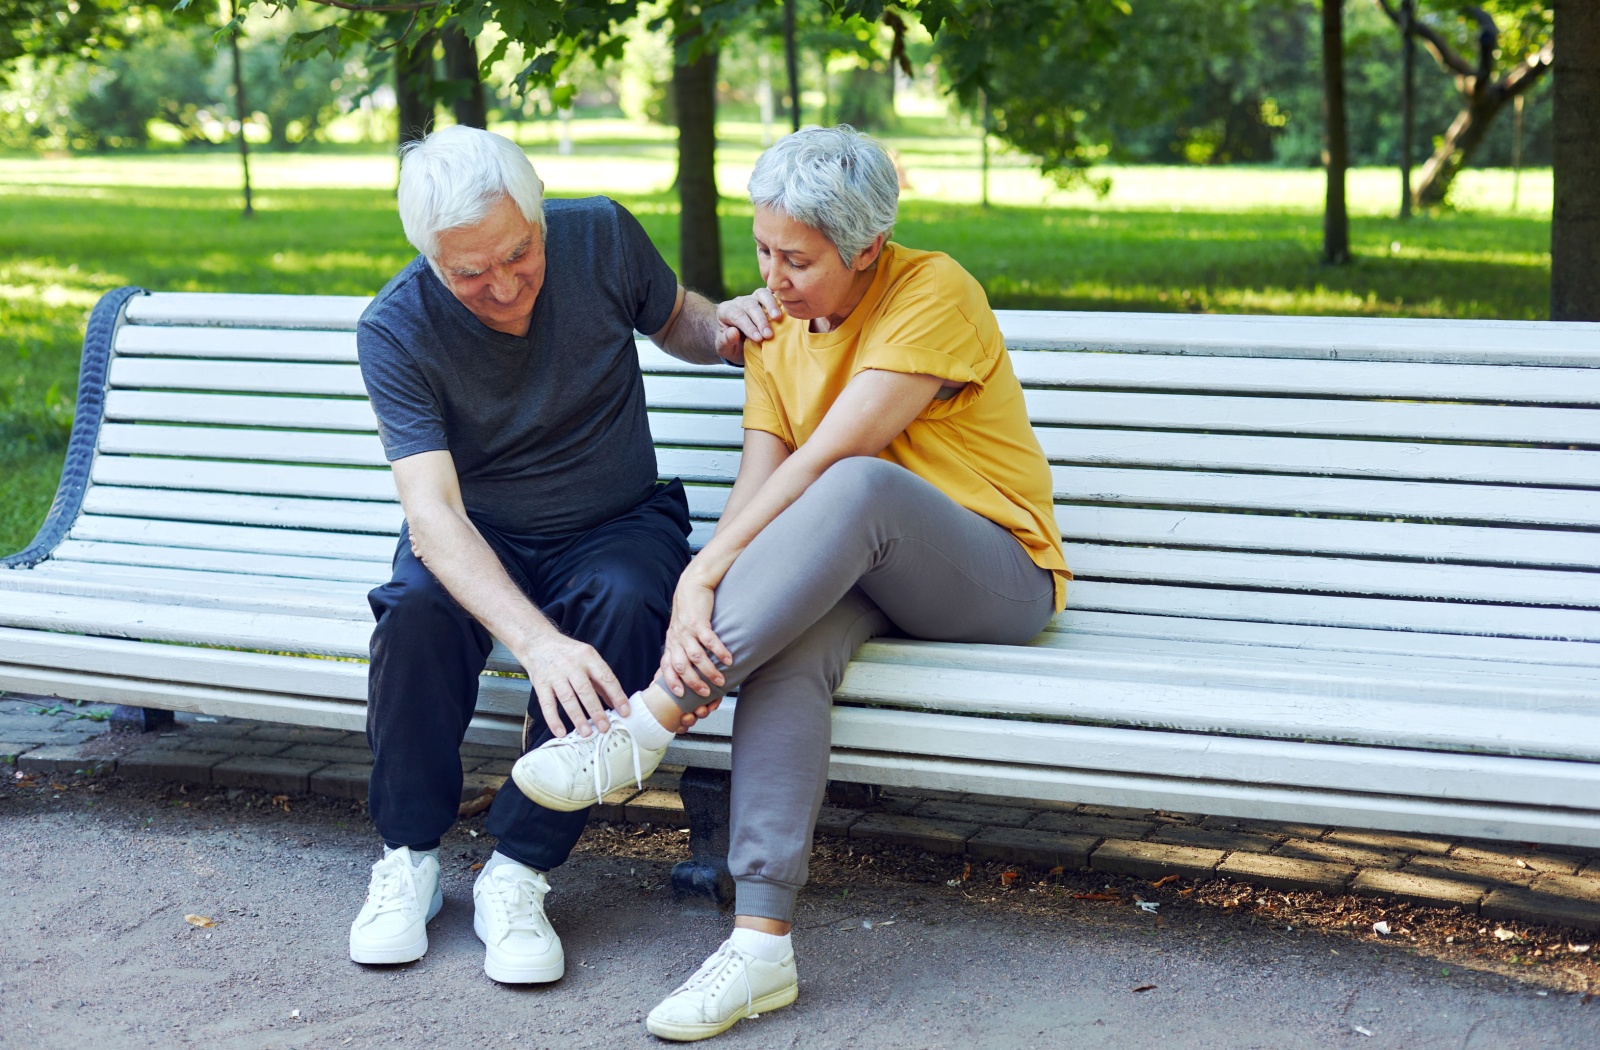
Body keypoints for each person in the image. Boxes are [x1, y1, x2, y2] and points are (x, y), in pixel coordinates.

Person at [511, 124, 1070, 1040]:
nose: (771, 278)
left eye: (798, 260)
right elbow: (761, 478)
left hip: (994, 573)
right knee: (786, 652)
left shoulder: (935, 292)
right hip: (866, 567)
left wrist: (699, 576)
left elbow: (827, 465)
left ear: (868, 250)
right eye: (763, 248)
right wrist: (709, 579)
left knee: (859, 483)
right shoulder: (775, 329)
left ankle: (643, 728)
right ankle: (760, 945)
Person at [348, 124, 764, 983]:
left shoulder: (600, 233)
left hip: (614, 519)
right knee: (417, 609)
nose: (501, 288)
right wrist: (537, 645)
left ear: (541, 219)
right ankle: (408, 858)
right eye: (468, 273)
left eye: (517, 255)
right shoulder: (395, 328)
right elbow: (432, 514)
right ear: (429, 256)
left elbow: (677, 317)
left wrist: (725, 327)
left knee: (627, 597)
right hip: (480, 530)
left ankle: (519, 870)